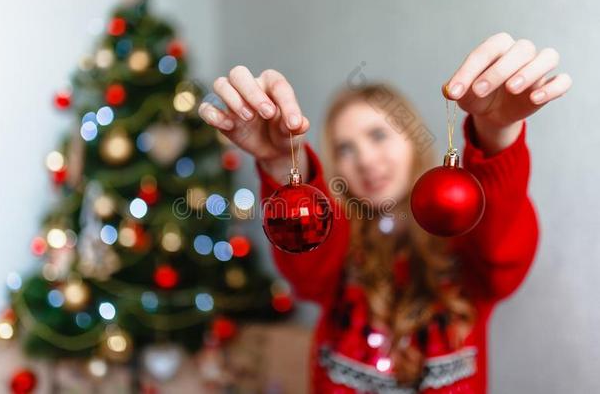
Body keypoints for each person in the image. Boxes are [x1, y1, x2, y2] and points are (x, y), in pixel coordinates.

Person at [198, 32, 571, 393]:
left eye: (377, 135)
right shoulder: (338, 241)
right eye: (346, 148)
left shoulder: (464, 237)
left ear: (411, 138)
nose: (365, 159)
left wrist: (496, 133)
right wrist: (281, 163)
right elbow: (305, 267)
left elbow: (502, 241)